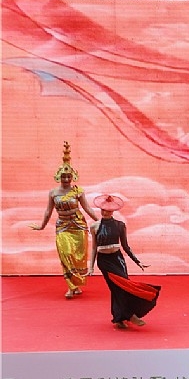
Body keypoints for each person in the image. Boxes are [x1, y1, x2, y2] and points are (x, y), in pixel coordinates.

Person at [30, 141, 99, 299]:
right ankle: (71, 286)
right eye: (64, 176)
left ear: (72, 176)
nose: (66, 179)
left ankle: (76, 284)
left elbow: (87, 208)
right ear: (58, 177)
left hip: (78, 226)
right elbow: (48, 211)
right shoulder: (53, 193)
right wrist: (41, 226)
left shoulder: (78, 191)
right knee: (65, 254)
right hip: (62, 227)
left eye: (68, 176)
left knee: (78, 257)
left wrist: (100, 221)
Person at [87, 195, 160, 329]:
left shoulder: (120, 225)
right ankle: (130, 315)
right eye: (103, 209)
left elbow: (125, 246)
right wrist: (90, 267)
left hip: (118, 259)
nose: (105, 212)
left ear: (113, 211)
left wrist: (137, 261)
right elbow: (93, 247)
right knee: (116, 288)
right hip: (104, 262)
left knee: (124, 286)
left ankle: (119, 318)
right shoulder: (94, 226)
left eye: (108, 210)